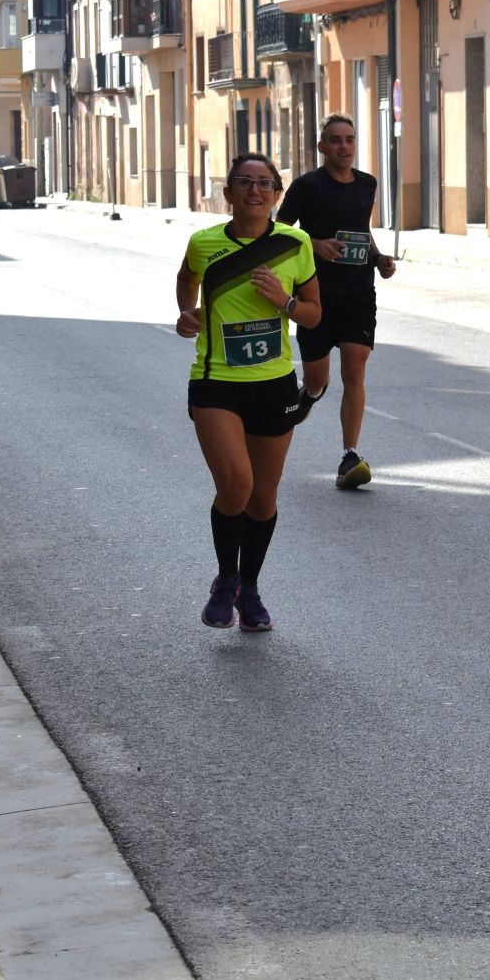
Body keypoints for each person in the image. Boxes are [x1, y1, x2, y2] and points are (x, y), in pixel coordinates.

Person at [176, 153, 322, 632]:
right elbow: (186, 281)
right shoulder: (204, 243)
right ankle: (224, 578)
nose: (255, 191)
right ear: (229, 193)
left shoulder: (295, 243)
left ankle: (250, 589)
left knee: (262, 498)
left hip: (275, 383)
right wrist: (187, 313)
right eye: (245, 182)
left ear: (277, 194)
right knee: (235, 485)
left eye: (265, 183)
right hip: (216, 380)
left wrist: (283, 302)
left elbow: (314, 315)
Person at [276, 113, 396, 489]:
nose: (343, 146)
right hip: (314, 293)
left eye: (349, 139)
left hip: (358, 291)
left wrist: (378, 259)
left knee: (355, 370)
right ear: (321, 147)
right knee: (317, 379)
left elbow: (362, 230)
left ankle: (349, 455)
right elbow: (279, 231)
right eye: (335, 140)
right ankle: (310, 395)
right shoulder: (306, 186)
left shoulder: (367, 184)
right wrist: (314, 244)